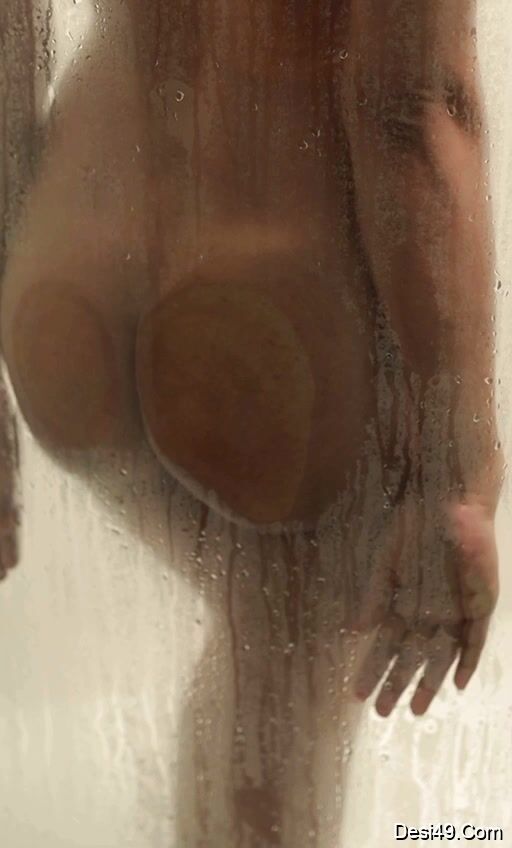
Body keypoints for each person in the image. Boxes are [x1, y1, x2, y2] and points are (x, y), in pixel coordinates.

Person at [0, 0, 506, 841]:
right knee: (289, 656)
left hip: (67, 267)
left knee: (268, 627)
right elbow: (412, 102)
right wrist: (459, 476)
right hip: (275, 303)